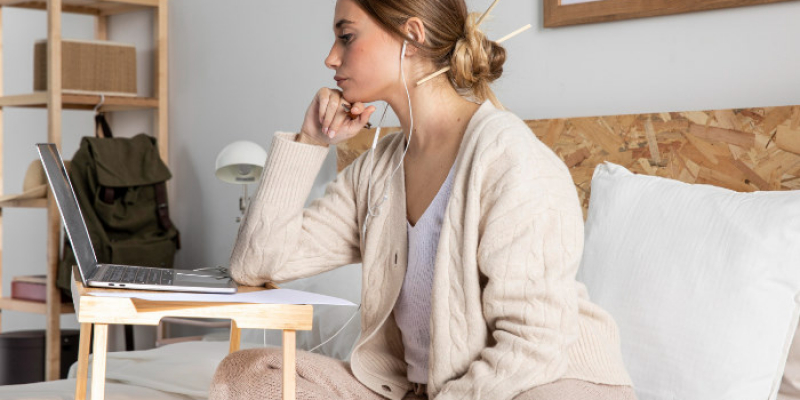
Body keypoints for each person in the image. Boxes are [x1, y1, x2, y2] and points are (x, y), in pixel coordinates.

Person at [209, 0, 636, 399]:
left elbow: (534, 347)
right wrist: (311, 140)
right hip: (425, 388)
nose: (331, 58)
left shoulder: (511, 159)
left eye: (346, 36)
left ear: (411, 37)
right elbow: (256, 264)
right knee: (245, 373)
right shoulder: (377, 171)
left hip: (547, 382)